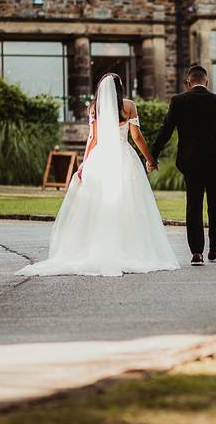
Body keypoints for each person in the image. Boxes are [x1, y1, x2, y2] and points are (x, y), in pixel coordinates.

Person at [16, 74, 179, 277]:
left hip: (100, 156)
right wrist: (150, 159)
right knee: (129, 202)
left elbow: (92, 138)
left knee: (99, 203)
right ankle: (129, 248)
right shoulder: (129, 106)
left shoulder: (94, 107)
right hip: (123, 156)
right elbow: (136, 136)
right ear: (120, 88)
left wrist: (85, 162)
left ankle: (97, 247)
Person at [151, 65, 216, 267]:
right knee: (215, 205)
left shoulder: (178, 101)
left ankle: (196, 252)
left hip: (190, 161)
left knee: (194, 204)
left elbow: (166, 131)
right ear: (206, 82)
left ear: (187, 82)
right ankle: (215, 248)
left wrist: (153, 156)